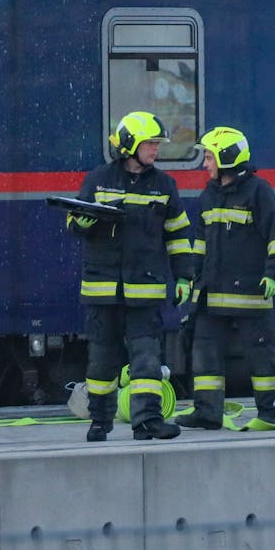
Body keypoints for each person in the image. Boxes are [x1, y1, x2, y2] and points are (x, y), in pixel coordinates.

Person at [68, 111, 197, 441]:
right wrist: (81, 222)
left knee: (146, 362)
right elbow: (74, 223)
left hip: (145, 291)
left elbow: (179, 236)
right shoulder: (97, 179)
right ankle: (99, 421)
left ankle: (147, 421)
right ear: (129, 146)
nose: (156, 150)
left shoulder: (165, 185)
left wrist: (184, 277)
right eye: (150, 144)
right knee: (101, 363)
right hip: (102, 291)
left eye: (156, 144)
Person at [182, 126, 275, 430]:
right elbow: (199, 243)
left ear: (226, 158)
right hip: (211, 293)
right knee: (204, 353)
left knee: (261, 354)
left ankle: (271, 412)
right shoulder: (209, 195)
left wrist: (274, 274)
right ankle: (207, 413)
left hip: (251, 292)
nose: (205, 163)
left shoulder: (259, 191)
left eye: (209, 157)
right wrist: (192, 281)